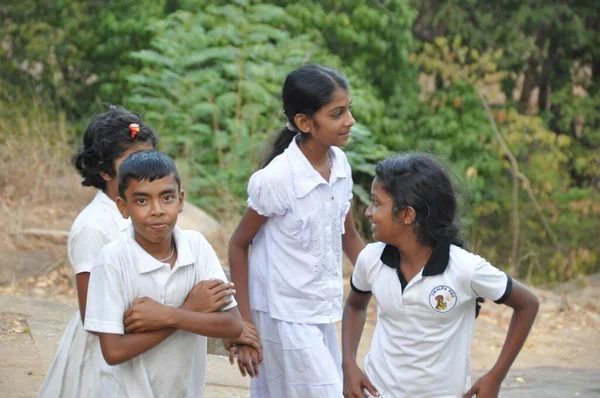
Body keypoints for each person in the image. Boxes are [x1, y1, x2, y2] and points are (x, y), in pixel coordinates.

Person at [341, 154, 540, 398]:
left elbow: (528, 304)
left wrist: (495, 377)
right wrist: (348, 363)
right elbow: (354, 306)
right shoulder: (370, 259)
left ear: (406, 215)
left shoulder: (465, 268)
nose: (369, 212)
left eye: (376, 203)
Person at [227, 64, 365, 397]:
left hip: (318, 310)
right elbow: (238, 244)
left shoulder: (340, 165)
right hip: (282, 313)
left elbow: (349, 236)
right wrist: (244, 325)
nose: (350, 121)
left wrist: (392, 279)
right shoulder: (277, 179)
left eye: (349, 110)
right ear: (305, 122)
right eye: (338, 113)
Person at [84, 149, 244, 397]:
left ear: (181, 201)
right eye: (141, 201)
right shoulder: (112, 260)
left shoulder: (196, 246)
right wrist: (189, 310)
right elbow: (114, 351)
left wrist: (168, 316)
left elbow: (232, 325)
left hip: (184, 390)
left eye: (166, 198)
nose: (157, 209)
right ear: (123, 206)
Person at [38, 105, 160, 397]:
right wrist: (173, 317)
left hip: (146, 345)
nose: (146, 169)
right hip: (105, 359)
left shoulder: (152, 213)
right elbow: (93, 315)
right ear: (105, 171)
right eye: (134, 161)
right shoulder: (94, 227)